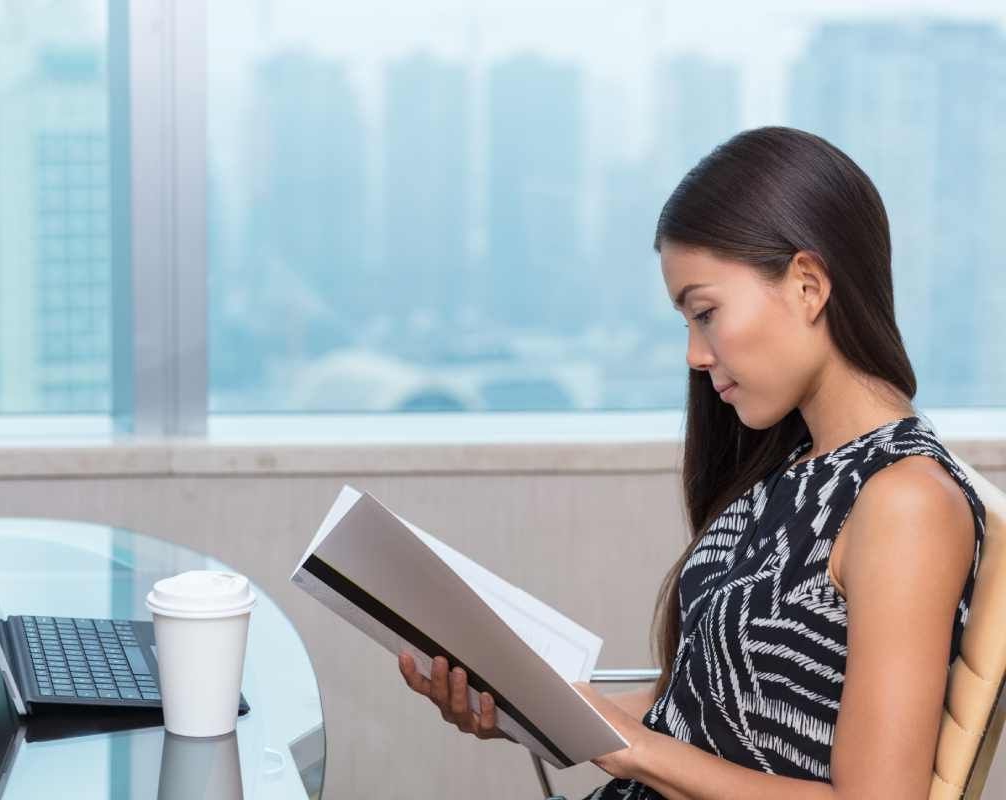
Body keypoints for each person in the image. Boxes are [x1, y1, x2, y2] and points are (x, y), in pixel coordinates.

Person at [396, 125, 987, 799]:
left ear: (807, 286)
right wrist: (535, 710)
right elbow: (703, 711)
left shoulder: (906, 503)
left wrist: (634, 750)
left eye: (705, 313)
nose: (694, 356)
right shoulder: (795, 465)